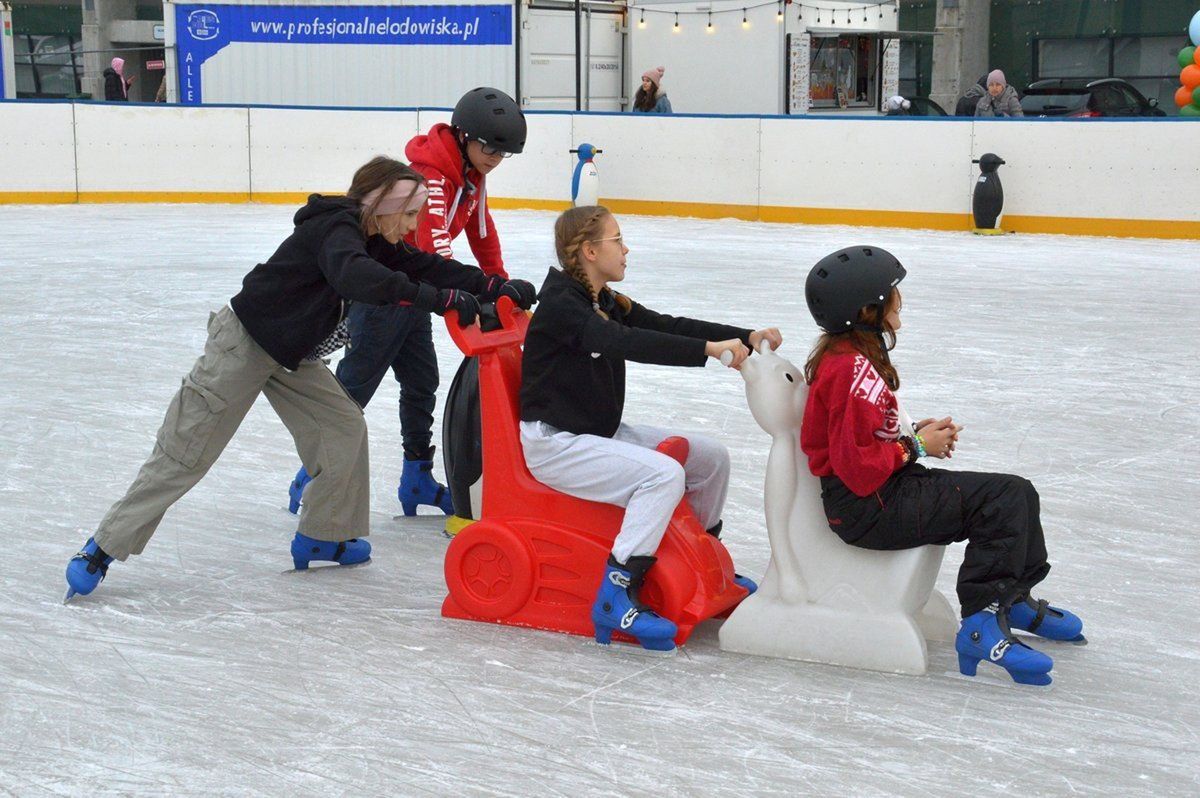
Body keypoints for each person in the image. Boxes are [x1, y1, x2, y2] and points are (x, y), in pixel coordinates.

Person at [64, 156, 512, 601]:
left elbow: (425, 266)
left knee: (343, 426)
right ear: (382, 205)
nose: (413, 226)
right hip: (244, 345)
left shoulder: (373, 237)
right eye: (410, 214)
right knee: (187, 453)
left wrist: (491, 286)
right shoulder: (336, 231)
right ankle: (102, 548)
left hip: (291, 355)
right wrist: (435, 300)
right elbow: (357, 276)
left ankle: (323, 535)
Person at [800, 245, 1084, 686]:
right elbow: (857, 471)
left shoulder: (851, 359)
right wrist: (915, 445)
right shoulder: (848, 371)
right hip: (868, 508)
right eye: (892, 295)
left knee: (1018, 491)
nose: (900, 302)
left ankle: (1013, 598)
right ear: (867, 310)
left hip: (881, 493)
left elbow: (861, 437)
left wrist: (910, 434)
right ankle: (981, 623)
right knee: (1003, 499)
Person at [519, 205, 781, 652]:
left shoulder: (602, 299)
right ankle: (616, 593)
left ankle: (698, 562)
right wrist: (707, 351)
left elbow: (662, 325)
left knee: (710, 458)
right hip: (556, 444)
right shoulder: (565, 306)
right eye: (617, 240)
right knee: (662, 474)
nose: (626, 249)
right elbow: (625, 342)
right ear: (588, 250)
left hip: (594, 434)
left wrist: (746, 334)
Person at [286, 87, 533, 521]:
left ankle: (416, 477)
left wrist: (500, 286)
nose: (495, 158)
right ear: (463, 135)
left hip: (419, 295)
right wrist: (469, 295)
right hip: (387, 292)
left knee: (421, 382)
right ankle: (312, 475)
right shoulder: (431, 176)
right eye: (490, 147)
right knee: (354, 389)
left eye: (504, 152)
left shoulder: (472, 176)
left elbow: (482, 231)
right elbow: (435, 245)